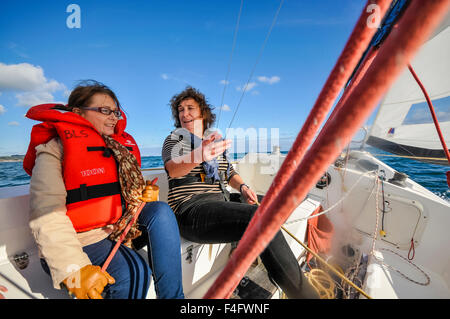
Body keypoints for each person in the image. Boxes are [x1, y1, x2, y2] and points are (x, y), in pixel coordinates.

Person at [24, 80, 184, 299]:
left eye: (116, 112)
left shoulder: (117, 150)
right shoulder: (53, 149)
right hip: (80, 241)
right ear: (78, 112)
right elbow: (46, 213)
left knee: (160, 211)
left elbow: (120, 194)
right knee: (134, 271)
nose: (113, 118)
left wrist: (141, 194)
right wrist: (73, 269)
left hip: (117, 228)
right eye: (105, 111)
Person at [162, 86, 319, 299]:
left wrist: (244, 188)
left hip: (219, 200)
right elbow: (173, 168)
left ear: (203, 113)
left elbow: (229, 173)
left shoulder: (213, 144)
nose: (184, 113)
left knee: (276, 205)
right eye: (180, 109)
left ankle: (255, 258)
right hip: (191, 210)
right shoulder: (174, 140)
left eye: (190, 108)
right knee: (258, 218)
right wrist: (200, 154)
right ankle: (305, 295)